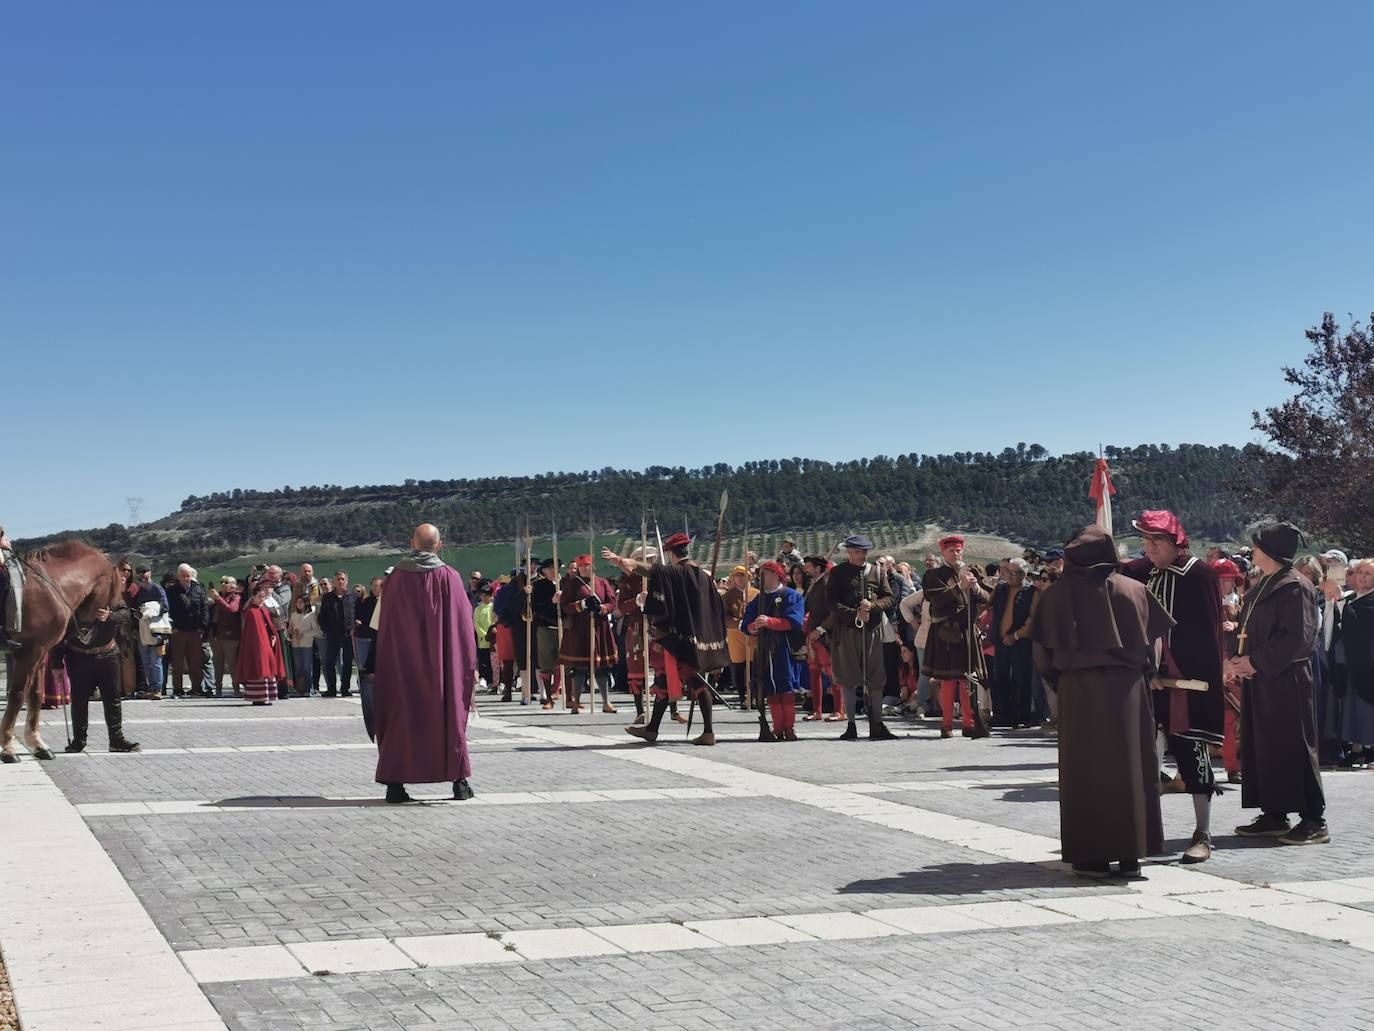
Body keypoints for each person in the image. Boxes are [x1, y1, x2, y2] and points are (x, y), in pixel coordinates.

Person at [1033, 525, 1171, 878]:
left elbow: (1043, 657)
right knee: (1131, 769)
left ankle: (1092, 854)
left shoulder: (1056, 596)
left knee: (1087, 773)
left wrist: (1063, 682)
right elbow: (1154, 647)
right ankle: (1131, 854)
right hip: (1129, 692)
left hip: (1079, 693)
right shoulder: (1136, 590)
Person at [1121, 510, 1225, 865]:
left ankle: (1203, 833)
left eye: (1156, 540)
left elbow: (1206, 636)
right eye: (1145, 540)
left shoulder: (1199, 575)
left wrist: (1174, 672)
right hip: (1144, 681)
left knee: (1193, 757)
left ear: (1175, 542)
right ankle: (1143, 833)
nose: (1148, 547)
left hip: (1185, 683)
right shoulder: (1136, 573)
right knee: (1144, 760)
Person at [1226, 522, 1328, 845]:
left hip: (1288, 680)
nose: (1252, 550)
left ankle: (1314, 819)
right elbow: (1247, 631)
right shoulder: (1263, 586)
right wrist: (1237, 660)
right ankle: (1274, 812)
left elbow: (1297, 638)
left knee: (1295, 744)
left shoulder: (1294, 586)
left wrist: (1254, 662)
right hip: (1262, 679)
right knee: (1265, 745)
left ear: (1269, 550)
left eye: (1256, 545)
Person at [373, 524, 477, 804]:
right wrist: (466, 666)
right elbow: (463, 629)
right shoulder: (450, 577)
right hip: (442, 668)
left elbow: (381, 626)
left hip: (402, 666)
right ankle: (459, 782)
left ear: (412, 543)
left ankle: (394, 785)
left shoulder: (394, 580)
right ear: (439, 545)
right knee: (448, 715)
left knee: (400, 716)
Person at [607, 532, 729, 746]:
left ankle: (707, 731)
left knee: (693, 681)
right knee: (669, 680)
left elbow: (652, 571)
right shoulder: (704, 576)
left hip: (681, 639)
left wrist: (624, 561)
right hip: (702, 638)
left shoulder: (678, 573)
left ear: (672, 554)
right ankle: (653, 728)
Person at [821, 534, 897, 741]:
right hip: (847, 630)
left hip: (871, 631)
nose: (860, 555)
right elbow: (831, 603)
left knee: (876, 678)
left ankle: (878, 724)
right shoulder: (837, 573)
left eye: (863, 552)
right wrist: (853, 613)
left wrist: (872, 606)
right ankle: (851, 724)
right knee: (847, 678)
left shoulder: (878, 572)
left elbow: (889, 597)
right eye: (856, 551)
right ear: (849, 552)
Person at [62, 563, 141, 754]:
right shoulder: (74, 597)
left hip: (107, 655)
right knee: (79, 700)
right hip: (79, 657)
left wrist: (110, 616)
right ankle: (78, 741)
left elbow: (125, 615)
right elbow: (61, 629)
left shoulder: (110, 594)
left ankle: (116, 740)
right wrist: (57, 660)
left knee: (112, 699)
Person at [922, 535, 991, 739]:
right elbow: (937, 600)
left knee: (967, 679)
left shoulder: (972, 572)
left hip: (967, 631)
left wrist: (975, 587)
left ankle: (970, 722)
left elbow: (989, 597)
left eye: (959, 550)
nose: (956, 554)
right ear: (943, 553)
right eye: (952, 550)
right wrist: (960, 586)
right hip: (946, 632)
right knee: (949, 679)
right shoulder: (934, 575)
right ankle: (947, 724)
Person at [741, 560, 806, 741]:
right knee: (769, 688)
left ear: (777, 575)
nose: (764, 577)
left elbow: (795, 622)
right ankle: (777, 727)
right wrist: (754, 626)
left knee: (785, 687)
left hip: (784, 647)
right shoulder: (758, 600)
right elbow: (746, 625)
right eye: (762, 574)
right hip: (763, 648)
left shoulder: (791, 595)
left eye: (768, 573)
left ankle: (789, 727)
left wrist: (770, 622)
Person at [559, 554, 619, 714]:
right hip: (579, 629)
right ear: (578, 568)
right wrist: (582, 604)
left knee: (602, 667)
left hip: (599, 626)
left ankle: (606, 702)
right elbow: (565, 606)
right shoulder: (572, 584)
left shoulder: (602, 582)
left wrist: (603, 608)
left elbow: (612, 601)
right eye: (582, 566)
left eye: (587, 565)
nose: (585, 568)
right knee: (579, 667)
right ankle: (576, 702)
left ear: (592, 566)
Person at [1329, 558, 1374, 764]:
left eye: (1368, 573)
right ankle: (1356, 746)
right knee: (1351, 704)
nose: (1362, 576)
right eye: (1360, 572)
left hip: (1367, 661)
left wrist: (1340, 603)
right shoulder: (1352, 598)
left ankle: (1369, 746)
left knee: (1367, 705)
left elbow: (1356, 623)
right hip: (1350, 661)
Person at [989, 558, 1036, 728]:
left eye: (1013, 573)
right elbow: (987, 601)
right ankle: (1004, 714)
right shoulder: (1001, 588)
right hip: (1000, 642)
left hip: (1021, 642)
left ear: (1023, 574)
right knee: (1001, 678)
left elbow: (1032, 619)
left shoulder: (1031, 591)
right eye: (1007, 571)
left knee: (1021, 678)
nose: (1008, 575)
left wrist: (1015, 636)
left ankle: (1022, 715)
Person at [803, 554, 845, 722]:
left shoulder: (828, 584)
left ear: (818, 567)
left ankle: (839, 710)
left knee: (832, 672)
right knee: (814, 672)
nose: (806, 568)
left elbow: (835, 611)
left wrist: (820, 629)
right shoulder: (813, 584)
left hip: (827, 635)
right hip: (813, 634)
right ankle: (817, 710)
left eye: (809, 566)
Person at [237, 582, 286, 705]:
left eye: (264, 597)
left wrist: (272, 636)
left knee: (268, 667)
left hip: (266, 645)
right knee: (259, 668)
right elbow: (252, 634)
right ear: (253, 597)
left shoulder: (263, 610)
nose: (262, 599)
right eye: (259, 596)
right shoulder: (251, 612)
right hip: (257, 647)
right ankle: (258, 697)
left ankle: (266, 696)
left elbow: (268, 627)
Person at [165, 563, 210, 698]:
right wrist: (173, 628)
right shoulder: (171, 591)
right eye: (184, 576)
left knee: (195, 662)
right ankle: (177, 689)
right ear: (178, 576)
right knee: (177, 663)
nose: (186, 578)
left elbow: (205, 609)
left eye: (188, 576)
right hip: (178, 632)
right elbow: (168, 611)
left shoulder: (199, 589)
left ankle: (196, 688)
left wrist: (203, 627)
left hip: (195, 632)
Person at [721, 565, 758, 709]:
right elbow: (724, 616)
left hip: (754, 634)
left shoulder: (757, 594)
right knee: (738, 666)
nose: (740, 578)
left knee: (753, 666)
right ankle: (742, 696)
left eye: (743, 575)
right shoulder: (727, 596)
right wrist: (739, 623)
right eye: (737, 575)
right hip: (735, 633)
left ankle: (753, 696)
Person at [128, 566, 168, 699]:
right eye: (139, 573)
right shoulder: (139, 592)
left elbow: (165, 606)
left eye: (144, 572)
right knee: (145, 661)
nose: (142, 575)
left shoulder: (157, 589)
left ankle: (157, 689)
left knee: (155, 660)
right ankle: (150, 688)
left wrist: (151, 610)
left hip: (156, 630)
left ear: (150, 573)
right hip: (142, 630)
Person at [317, 571, 357, 697]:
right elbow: (321, 617)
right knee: (329, 662)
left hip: (348, 635)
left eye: (342, 579)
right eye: (338, 579)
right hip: (333, 635)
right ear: (333, 582)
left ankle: (345, 688)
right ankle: (331, 689)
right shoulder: (327, 598)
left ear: (347, 580)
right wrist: (326, 629)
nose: (340, 581)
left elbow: (358, 614)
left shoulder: (353, 596)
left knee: (347, 663)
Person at [207, 577, 242, 698]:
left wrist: (218, 598)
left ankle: (236, 689)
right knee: (218, 664)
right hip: (216, 635)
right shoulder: (219, 596)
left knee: (232, 664)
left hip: (230, 635)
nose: (222, 584)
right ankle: (218, 690)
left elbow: (232, 609)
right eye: (221, 582)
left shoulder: (235, 597)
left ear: (233, 585)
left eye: (226, 582)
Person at [287, 594, 321, 697]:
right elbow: (290, 629)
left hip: (307, 644)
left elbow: (316, 631)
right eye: (298, 602)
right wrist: (291, 634)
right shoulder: (293, 615)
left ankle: (308, 689)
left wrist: (304, 634)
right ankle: (299, 689)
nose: (299, 604)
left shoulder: (311, 615)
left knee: (307, 667)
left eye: (301, 602)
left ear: (306, 603)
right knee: (298, 667)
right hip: (295, 645)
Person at [472, 583, 496, 691]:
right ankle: (486, 680)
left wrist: (493, 634)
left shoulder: (494, 607)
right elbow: (476, 624)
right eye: (482, 595)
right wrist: (484, 635)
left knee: (494, 663)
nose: (484, 597)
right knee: (484, 661)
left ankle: (494, 682)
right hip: (483, 642)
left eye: (487, 595)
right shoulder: (478, 609)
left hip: (494, 641)